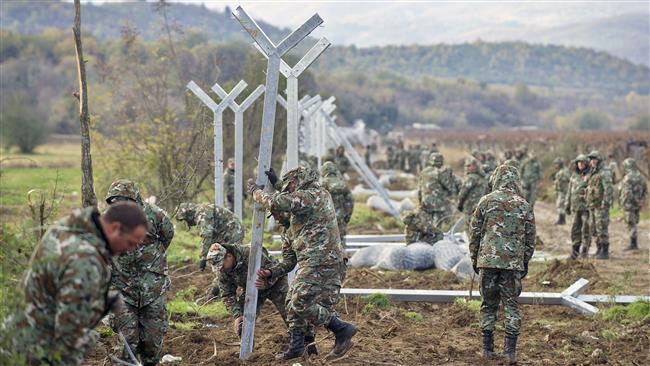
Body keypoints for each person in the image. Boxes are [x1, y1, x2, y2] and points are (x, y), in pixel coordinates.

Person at [3, 202, 148, 366]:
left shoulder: (66, 229)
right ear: (115, 228)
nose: (131, 250)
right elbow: (68, 340)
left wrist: (98, 300)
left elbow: (56, 285)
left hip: (15, 341)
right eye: (130, 243)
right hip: (37, 354)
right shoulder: (86, 260)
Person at [249, 166, 356, 360]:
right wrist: (272, 272)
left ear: (299, 181)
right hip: (313, 263)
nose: (279, 216)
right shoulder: (291, 230)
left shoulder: (315, 195)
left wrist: (258, 193)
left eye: (290, 185)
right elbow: (289, 262)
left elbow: (283, 200)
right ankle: (299, 346)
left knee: (301, 302)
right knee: (293, 302)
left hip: (326, 262)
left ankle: (341, 329)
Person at [469, 165, 535, 365]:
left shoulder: (485, 201)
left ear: (496, 178)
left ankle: (487, 350)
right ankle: (510, 352)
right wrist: (523, 263)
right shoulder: (524, 205)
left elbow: (474, 235)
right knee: (512, 306)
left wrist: (475, 260)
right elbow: (530, 241)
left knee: (488, 304)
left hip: (487, 262)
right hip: (512, 265)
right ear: (515, 180)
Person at [105, 180, 174, 366]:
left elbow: (168, 235)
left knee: (152, 343)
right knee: (127, 343)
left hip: (153, 289)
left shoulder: (155, 215)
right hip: (122, 290)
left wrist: (152, 258)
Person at [206, 243, 288, 338]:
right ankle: (246, 349)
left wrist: (266, 283)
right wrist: (237, 315)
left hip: (276, 282)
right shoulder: (222, 272)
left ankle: (304, 342)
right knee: (243, 321)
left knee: (291, 313)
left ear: (229, 256)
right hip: (251, 288)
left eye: (222, 266)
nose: (221, 269)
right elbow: (227, 295)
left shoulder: (250, 253)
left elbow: (274, 269)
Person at [176, 202, 244, 271]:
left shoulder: (202, 214)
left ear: (188, 214)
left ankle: (236, 276)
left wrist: (203, 258)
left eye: (185, 219)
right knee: (220, 258)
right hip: (225, 232)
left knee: (230, 259)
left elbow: (206, 237)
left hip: (232, 231)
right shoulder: (201, 211)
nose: (186, 222)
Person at [586, 151, 614, 259]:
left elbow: (608, 189)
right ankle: (599, 249)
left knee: (602, 228)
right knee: (594, 229)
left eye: (594, 159)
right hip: (593, 205)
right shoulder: (593, 172)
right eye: (591, 159)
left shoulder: (604, 172)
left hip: (601, 206)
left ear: (599, 160)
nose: (592, 161)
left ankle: (605, 251)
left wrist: (605, 203)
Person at [418, 152, 459, 226]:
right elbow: (449, 186)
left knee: (428, 224)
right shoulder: (440, 172)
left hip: (425, 202)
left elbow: (419, 189)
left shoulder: (423, 172)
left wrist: (420, 201)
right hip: (438, 203)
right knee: (439, 223)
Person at [320, 161, 354, 247]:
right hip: (341, 217)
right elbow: (350, 202)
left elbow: (318, 202)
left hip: (327, 218)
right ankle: (342, 258)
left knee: (327, 243)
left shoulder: (322, 184)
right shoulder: (343, 183)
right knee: (340, 240)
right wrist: (347, 217)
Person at [566, 154, 592, 259]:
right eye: (578, 162)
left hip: (586, 207)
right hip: (575, 207)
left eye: (582, 162)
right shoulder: (574, 176)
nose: (580, 164)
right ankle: (575, 251)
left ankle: (585, 251)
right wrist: (567, 204)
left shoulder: (590, 175)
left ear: (586, 163)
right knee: (575, 228)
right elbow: (569, 191)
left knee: (586, 228)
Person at [618, 158, 647, 251]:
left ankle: (633, 244)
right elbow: (645, 191)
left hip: (629, 204)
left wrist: (623, 203)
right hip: (637, 204)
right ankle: (634, 243)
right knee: (634, 222)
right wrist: (641, 201)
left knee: (631, 223)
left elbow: (627, 193)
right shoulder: (641, 177)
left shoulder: (627, 178)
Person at [552, 158, 571, 225]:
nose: (555, 165)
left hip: (563, 191)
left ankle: (562, 220)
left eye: (557, 164)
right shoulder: (560, 171)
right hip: (559, 190)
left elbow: (568, 179)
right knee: (559, 205)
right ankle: (561, 219)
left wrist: (560, 179)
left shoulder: (565, 170)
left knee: (560, 205)